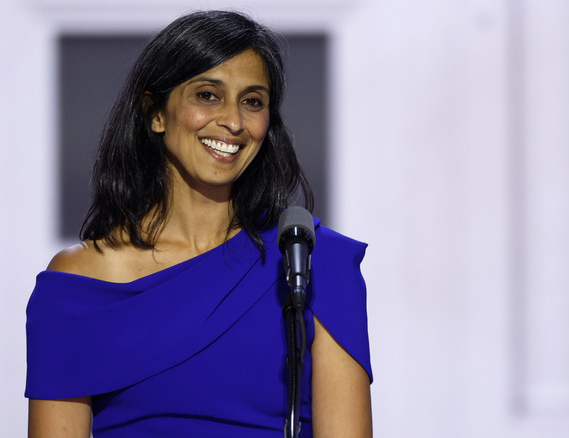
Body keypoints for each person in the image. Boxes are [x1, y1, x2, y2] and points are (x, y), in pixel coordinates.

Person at [25, 10, 372, 438]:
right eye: (208, 95)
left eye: (252, 101)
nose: (233, 121)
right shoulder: (78, 286)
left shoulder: (316, 260)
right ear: (155, 113)